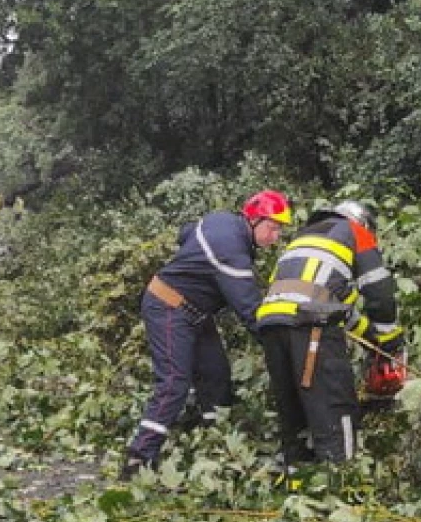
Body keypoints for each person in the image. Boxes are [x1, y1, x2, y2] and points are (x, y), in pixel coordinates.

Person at [122, 190, 293, 477]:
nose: (275, 237)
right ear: (253, 220)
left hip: (196, 313)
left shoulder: (222, 221)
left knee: (216, 376)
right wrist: (281, 349)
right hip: (168, 306)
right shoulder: (230, 248)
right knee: (175, 381)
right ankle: (138, 459)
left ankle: (214, 442)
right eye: (272, 228)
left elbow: (185, 233)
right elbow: (250, 312)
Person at [256, 200, 403, 466]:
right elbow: (379, 293)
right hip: (310, 325)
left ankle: (297, 495)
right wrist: (389, 338)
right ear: (364, 224)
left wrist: (371, 338)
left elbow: (337, 309)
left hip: (271, 324)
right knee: (336, 413)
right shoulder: (358, 233)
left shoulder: (301, 240)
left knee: (295, 421)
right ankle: (342, 487)